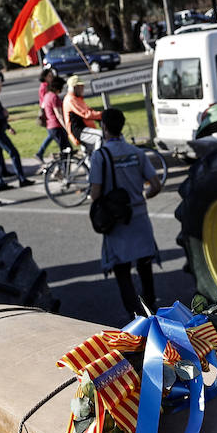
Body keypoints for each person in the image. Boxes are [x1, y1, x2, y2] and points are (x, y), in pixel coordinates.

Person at [89, 107, 161, 319]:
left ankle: (135, 318)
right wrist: (142, 198)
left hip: (117, 221)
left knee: (122, 271)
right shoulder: (137, 153)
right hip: (139, 218)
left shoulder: (100, 156)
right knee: (145, 267)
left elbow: (95, 193)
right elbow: (156, 185)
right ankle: (151, 312)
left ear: (104, 127)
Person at [0, 74, 34, 187]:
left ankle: (1, 181)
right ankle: (21, 179)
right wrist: (3, 114)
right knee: (13, 153)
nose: (1, 89)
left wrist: (8, 127)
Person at [62, 75, 102, 148]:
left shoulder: (77, 98)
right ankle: (98, 157)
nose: (83, 89)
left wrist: (99, 115)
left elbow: (89, 110)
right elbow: (86, 114)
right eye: (80, 87)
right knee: (100, 136)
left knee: (89, 154)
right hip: (79, 130)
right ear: (74, 87)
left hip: (84, 129)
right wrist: (102, 115)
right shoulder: (71, 99)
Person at [39, 75, 71, 161]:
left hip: (50, 126)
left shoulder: (47, 95)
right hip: (57, 126)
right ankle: (62, 170)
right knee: (66, 150)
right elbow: (59, 115)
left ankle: (60, 169)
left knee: (64, 149)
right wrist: (67, 128)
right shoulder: (54, 97)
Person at [35, 69, 57, 163]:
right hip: (47, 111)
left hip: (49, 110)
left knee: (52, 134)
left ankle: (40, 152)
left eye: (52, 75)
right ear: (45, 77)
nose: (51, 77)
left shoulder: (48, 85)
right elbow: (45, 101)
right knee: (53, 133)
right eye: (49, 76)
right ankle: (40, 152)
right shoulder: (44, 87)